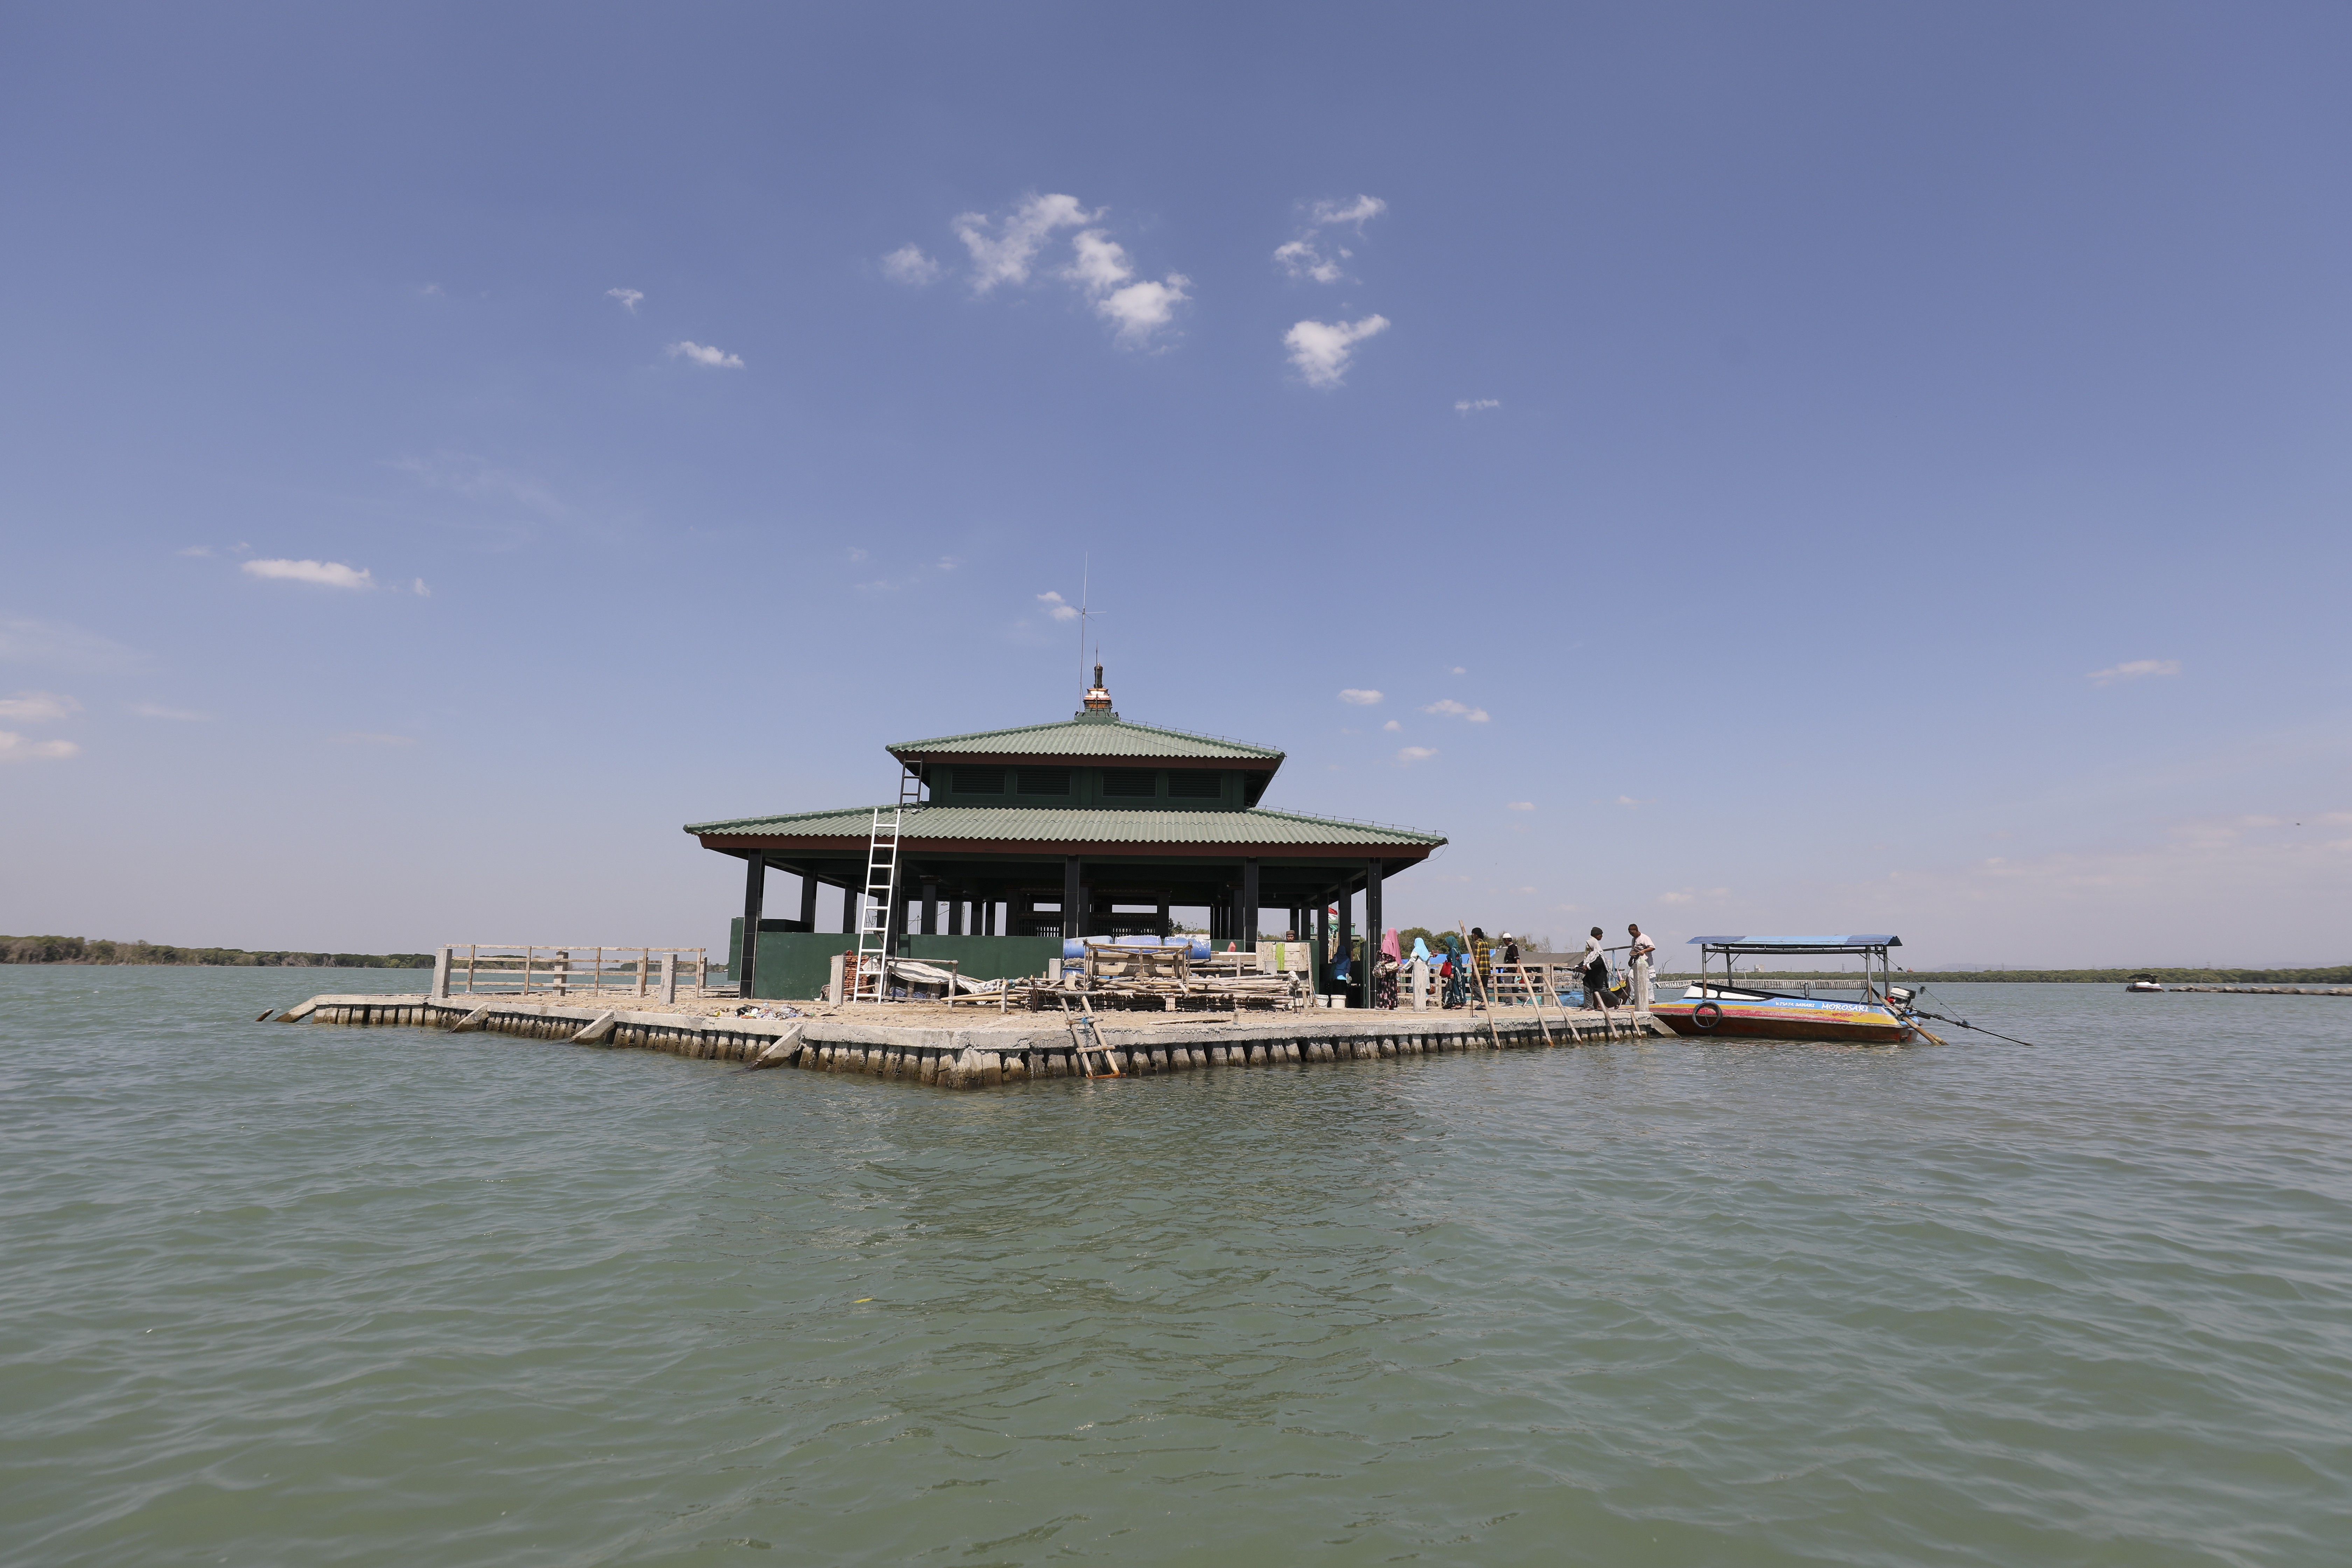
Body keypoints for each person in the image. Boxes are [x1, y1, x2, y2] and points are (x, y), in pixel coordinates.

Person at [1581, 926, 1613, 1014]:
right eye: (1600, 935)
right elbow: (1586, 961)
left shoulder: (1598, 953)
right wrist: (1579, 967)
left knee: (1603, 990)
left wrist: (1588, 966)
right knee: (1587, 987)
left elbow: (1598, 963)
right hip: (1592, 976)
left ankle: (1616, 1001)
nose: (1601, 937)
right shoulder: (1591, 954)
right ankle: (1590, 1007)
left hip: (1599, 975)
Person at [1626, 923, 1656, 1010]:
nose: (1632, 934)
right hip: (1637, 961)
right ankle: (1637, 996)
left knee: (1648, 980)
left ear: (1636, 930)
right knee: (1631, 976)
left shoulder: (1645, 938)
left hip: (1646, 961)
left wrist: (1644, 951)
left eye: (1632, 933)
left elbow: (1653, 947)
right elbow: (1634, 950)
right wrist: (1631, 960)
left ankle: (1651, 999)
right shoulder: (1634, 939)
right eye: (1630, 933)